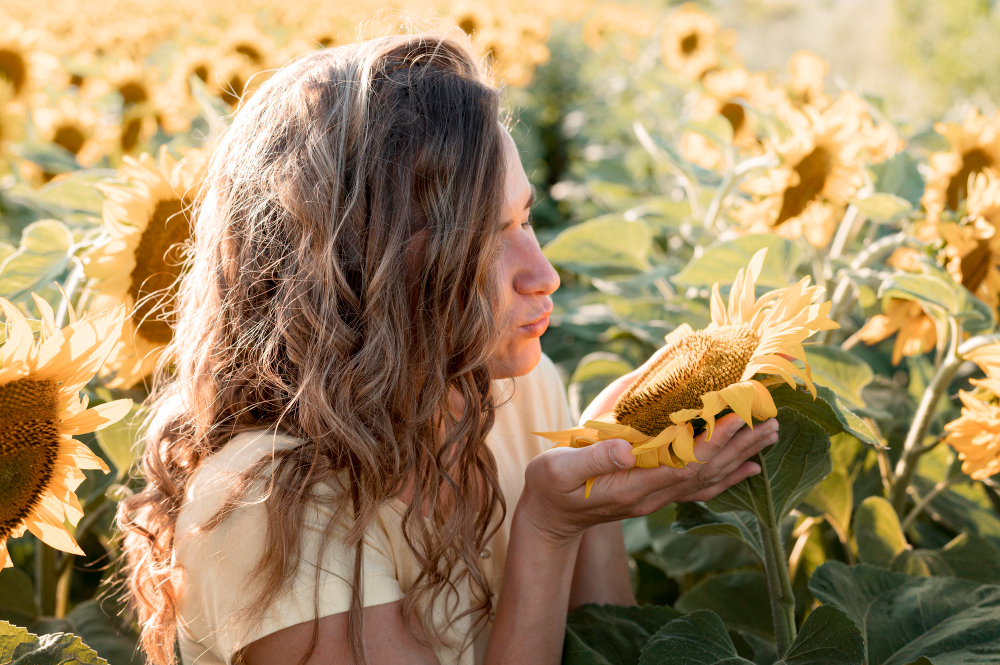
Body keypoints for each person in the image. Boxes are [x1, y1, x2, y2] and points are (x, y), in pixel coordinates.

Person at [117, 30, 778, 665]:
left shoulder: (518, 389)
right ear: (357, 274)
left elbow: (607, 647)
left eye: (525, 219)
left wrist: (599, 472)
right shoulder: (264, 503)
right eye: (486, 240)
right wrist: (547, 530)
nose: (543, 274)